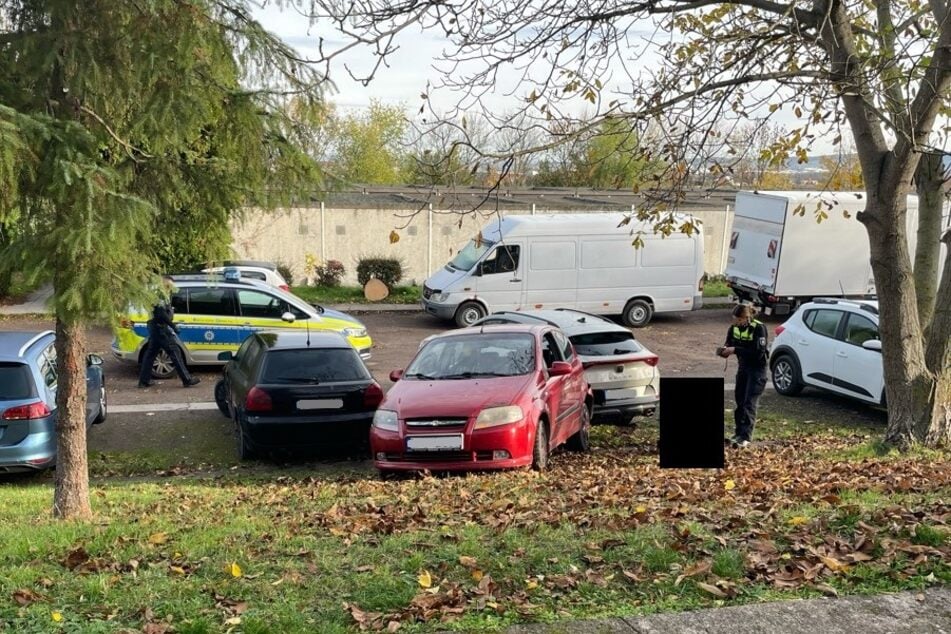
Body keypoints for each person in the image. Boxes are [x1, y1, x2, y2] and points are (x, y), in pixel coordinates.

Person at [718, 304, 768, 448]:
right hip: (743, 368)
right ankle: (738, 433)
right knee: (739, 401)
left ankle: (746, 437)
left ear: (746, 317)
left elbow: (758, 353)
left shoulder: (758, 328)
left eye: (739, 320)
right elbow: (729, 343)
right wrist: (725, 350)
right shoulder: (733, 328)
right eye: (735, 319)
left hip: (757, 369)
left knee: (749, 403)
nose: (736, 322)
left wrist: (736, 349)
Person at [138, 298, 200, 388]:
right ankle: (187, 379)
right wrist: (173, 326)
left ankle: (144, 381)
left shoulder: (155, 291)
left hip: (154, 327)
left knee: (150, 355)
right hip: (160, 328)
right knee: (175, 352)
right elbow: (161, 314)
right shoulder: (159, 293)